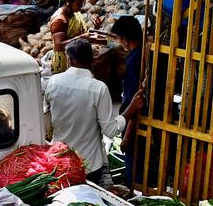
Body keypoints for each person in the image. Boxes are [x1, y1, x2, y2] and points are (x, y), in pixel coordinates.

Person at [44, 38, 143, 186]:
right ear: (92, 61)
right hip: (88, 165)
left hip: (59, 160)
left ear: (70, 61)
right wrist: (131, 109)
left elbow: (46, 118)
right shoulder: (99, 88)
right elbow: (110, 130)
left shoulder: (53, 82)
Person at [108, 14, 144, 186]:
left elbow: (135, 101)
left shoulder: (134, 60)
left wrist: (127, 135)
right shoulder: (144, 53)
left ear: (125, 39)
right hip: (145, 123)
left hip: (135, 125)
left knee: (134, 168)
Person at [49, 0, 90, 74]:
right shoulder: (60, 20)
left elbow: (81, 31)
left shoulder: (74, 13)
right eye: (78, 4)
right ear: (68, 1)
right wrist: (80, 38)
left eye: (81, 4)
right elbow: (59, 45)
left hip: (75, 57)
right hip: (64, 62)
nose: (80, 7)